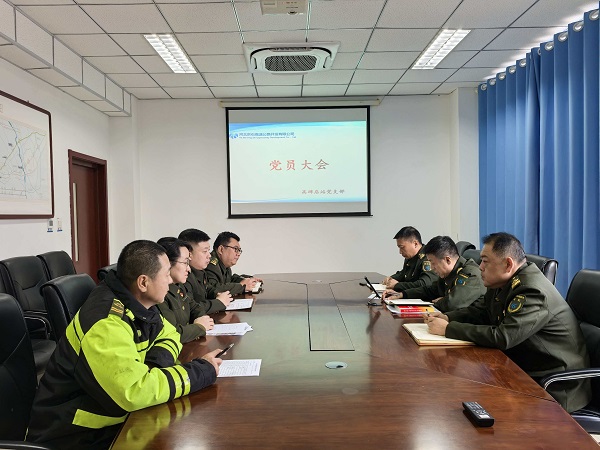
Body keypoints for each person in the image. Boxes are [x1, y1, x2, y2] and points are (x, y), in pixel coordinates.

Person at [27, 240, 224, 450]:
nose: (170, 280)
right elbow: (134, 392)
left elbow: (170, 335)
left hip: (115, 418)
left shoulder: (138, 303)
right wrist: (202, 371)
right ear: (143, 282)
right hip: (76, 435)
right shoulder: (105, 323)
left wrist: (154, 368)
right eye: (166, 274)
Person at [425, 232, 591, 413]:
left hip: (555, 384)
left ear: (508, 264)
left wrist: (449, 329)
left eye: (485, 261)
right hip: (523, 366)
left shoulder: (532, 290)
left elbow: (503, 337)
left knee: (470, 400)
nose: (480, 267)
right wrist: (449, 317)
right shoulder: (502, 283)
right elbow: (482, 312)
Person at [383, 235, 485, 313]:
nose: (431, 268)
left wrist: (441, 301)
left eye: (433, 263)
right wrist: (403, 294)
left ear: (447, 260)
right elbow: (430, 290)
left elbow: (452, 304)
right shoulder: (448, 273)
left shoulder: (471, 274)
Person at [156, 237, 215, 343]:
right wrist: (199, 327)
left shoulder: (179, 286)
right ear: (167, 263)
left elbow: (195, 308)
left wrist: (202, 320)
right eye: (185, 262)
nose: (189, 268)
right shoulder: (158, 294)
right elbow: (173, 334)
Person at [178, 228, 232, 311]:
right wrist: (218, 302)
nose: (209, 255)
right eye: (204, 251)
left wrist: (217, 294)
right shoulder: (184, 277)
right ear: (189, 254)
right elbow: (191, 308)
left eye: (208, 251)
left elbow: (208, 289)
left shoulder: (200, 271)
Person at [382, 226, 438, 292]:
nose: (400, 252)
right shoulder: (411, 256)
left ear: (415, 244)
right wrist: (391, 278)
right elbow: (404, 273)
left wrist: (397, 285)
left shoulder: (427, 258)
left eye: (402, 247)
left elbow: (425, 284)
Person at [205, 231, 261, 295]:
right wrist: (241, 285)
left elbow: (229, 280)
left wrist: (247, 279)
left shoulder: (224, 264)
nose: (238, 254)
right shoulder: (210, 264)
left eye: (239, 250)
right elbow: (214, 289)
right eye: (235, 249)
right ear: (221, 249)